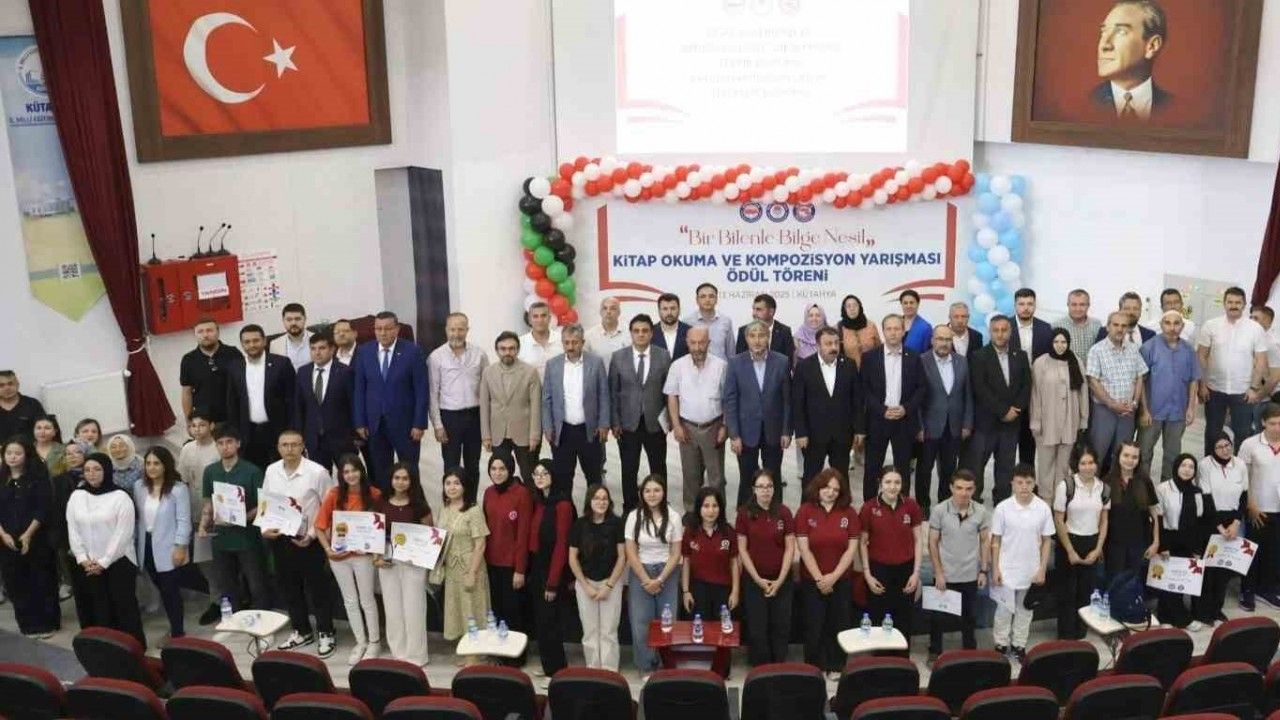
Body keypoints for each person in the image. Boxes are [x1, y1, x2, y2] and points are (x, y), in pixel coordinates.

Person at [264, 430, 339, 658]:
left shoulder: (317, 472)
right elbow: (266, 502)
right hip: (281, 539)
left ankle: (326, 631)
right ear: (278, 448)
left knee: (318, 589)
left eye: (294, 445)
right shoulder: (271, 470)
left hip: (310, 540)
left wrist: (314, 535)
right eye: (285, 445)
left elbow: (329, 507)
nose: (289, 449)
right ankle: (302, 630)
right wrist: (265, 528)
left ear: (303, 446)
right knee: (289, 587)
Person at [67, 452, 144, 646]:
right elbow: (73, 529)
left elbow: (123, 534)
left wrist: (104, 561)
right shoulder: (77, 496)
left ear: (107, 470)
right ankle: (98, 648)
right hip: (86, 564)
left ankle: (130, 648)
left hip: (118, 562)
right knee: (93, 606)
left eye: (97, 469)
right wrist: (82, 558)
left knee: (122, 607)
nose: (91, 474)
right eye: (87, 470)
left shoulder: (121, 497)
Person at [315, 454, 381, 664]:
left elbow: (381, 527)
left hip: (363, 557)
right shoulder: (334, 494)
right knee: (350, 601)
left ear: (362, 471)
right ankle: (360, 642)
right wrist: (328, 550)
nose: (351, 475)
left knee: (367, 599)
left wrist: (372, 549)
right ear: (341, 475)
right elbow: (319, 526)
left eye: (354, 470)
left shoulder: (374, 494)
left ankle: (374, 642)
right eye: (346, 472)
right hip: (339, 556)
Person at [353, 311, 429, 491]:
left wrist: (419, 423)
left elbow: (421, 390)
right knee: (381, 471)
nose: (383, 333)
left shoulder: (413, 351)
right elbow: (359, 389)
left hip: (406, 424)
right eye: (378, 329)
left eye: (387, 328)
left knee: (409, 470)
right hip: (375, 424)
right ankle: (386, 504)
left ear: (397, 329)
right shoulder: (364, 351)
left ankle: (413, 505)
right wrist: (360, 422)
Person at [795, 468, 859, 679]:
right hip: (812, 581)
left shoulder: (849, 513)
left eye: (835, 489)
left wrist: (833, 577)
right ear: (818, 487)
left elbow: (851, 549)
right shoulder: (805, 511)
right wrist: (820, 579)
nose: (830, 492)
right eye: (826, 487)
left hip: (841, 580)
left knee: (839, 623)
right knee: (814, 625)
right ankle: (815, 667)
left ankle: (837, 666)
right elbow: (804, 549)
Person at [198, 425, 269, 614]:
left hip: (247, 537)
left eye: (229, 442)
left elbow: (263, 504)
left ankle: (262, 620)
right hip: (221, 537)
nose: (225, 447)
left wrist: (242, 518)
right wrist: (204, 524)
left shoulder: (252, 471)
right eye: (220, 443)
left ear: (238, 444)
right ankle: (234, 618)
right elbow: (208, 502)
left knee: (256, 584)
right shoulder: (210, 471)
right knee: (226, 584)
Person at [989, 464, 1053, 662]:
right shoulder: (1002, 508)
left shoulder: (1043, 508)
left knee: (1025, 610)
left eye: (1028, 482)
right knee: (1003, 610)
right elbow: (996, 540)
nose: (1024, 486)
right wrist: (995, 569)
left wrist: (1042, 569)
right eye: (1020, 482)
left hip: (1031, 569)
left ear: (1034, 483)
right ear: (1012, 483)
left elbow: (1046, 541)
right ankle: (1001, 644)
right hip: (1006, 568)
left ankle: (1019, 645)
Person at [725, 320, 792, 504]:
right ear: (746, 339)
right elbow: (730, 401)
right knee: (747, 477)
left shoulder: (782, 361)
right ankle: (746, 516)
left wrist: (786, 431)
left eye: (761, 335)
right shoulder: (735, 363)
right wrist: (734, 434)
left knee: (773, 476)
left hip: (774, 430)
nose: (757, 340)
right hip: (745, 432)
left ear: (768, 337)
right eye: (752, 336)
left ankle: (776, 514)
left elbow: (787, 400)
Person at [609, 314, 670, 513]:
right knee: (629, 468)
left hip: (655, 423)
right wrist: (615, 422)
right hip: (628, 425)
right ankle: (630, 508)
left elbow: (669, 391)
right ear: (631, 333)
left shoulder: (663, 356)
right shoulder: (618, 357)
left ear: (651, 333)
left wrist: (669, 420)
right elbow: (613, 392)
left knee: (658, 467)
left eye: (645, 331)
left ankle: (660, 506)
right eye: (636, 331)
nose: (641, 334)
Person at [927, 470, 990, 661]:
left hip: (970, 574)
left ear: (974, 489)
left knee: (969, 617)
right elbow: (932, 543)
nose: (964, 493)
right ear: (951, 488)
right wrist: (938, 572)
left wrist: (983, 570)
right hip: (945, 574)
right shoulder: (939, 510)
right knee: (938, 617)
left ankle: (969, 652)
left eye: (968, 489)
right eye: (959, 488)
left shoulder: (981, 511)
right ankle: (935, 651)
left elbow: (985, 541)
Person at [1198, 287, 1269, 455]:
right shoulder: (1211, 326)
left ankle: (1238, 467)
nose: (1234, 305)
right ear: (1224, 303)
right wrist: (1202, 384)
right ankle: (1210, 466)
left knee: (1242, 434)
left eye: (1238, 302)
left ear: (1244, 305)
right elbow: (1201, 356)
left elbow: (1261, 360)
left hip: (1243, 392)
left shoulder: (1255, 329)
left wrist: (1254, 388)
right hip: (1214, 389)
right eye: (1230, 302)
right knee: (1212, 433)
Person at [860, 315, 925, 500]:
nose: (893, 333)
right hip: (877, 420)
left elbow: (921, 388)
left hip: (904, 421)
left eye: (897, 328)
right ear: (883, 331)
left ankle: (902, 507)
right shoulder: (870, 357)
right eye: (889, 329)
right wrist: (882, 410)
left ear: (903, 331)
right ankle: (869, 506)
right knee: (872, 468)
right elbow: (864, 389)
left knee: (903, 468)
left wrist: (906, 408)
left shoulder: (914, 357)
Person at [0, 437, 59, 638]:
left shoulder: (36, 478)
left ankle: (47, 624)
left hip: (36, 537)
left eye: (17, 453)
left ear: (26, 455)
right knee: (16, 582)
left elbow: (42, 508)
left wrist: (28, 534)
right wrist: (3, 534)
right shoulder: (2, 478)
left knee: (41, 580)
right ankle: (27, 625)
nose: (12, 457)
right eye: (9, 453)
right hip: (7, 539)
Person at [735, 468, 795, 666]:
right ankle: (760, 668)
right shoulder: (744, 514)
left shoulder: (784, 512)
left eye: (769, 486)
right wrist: (758, 580)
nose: (765, 490)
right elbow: (742, 550)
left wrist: (779, 581)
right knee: (757, 627)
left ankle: (778, 665)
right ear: (754, 489)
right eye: (760, 487)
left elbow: (790, 548)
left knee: (781, 625)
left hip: (781, 579)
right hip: (754, 580)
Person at [375, 462, 432, 666]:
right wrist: (376, 558)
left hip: (413, 562)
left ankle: (416, 656)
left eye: (405, 478)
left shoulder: (419, 505)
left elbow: (429, 534)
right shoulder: (381, 503)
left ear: (411, 481)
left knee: (414, 608)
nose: (400, 482)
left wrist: (423, 559)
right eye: (397, 478)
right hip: (388, 559)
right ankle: (398, 654)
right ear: (391, 480)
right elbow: (375, 534)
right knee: (392, 609)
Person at [665, 326, 729, 509]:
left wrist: (725, 426)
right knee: (691, 476)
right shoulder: (677, 366)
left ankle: (718, 515)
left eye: (702, 343)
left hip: (714, 427)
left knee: (716, 478)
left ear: (709, 343)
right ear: (687, 343)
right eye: (693, 343)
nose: (697, 347)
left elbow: (728, 399)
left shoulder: (721, 366)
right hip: (687, 428)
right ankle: (691, 514)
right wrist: (677, 425)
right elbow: (672, 396)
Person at [624, 474, 681, 678]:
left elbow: (676, 553)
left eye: (656, 490)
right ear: (642, 494)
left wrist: (660, 579)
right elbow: (630, 551)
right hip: (641, 570)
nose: (652, 494)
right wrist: (645, 579)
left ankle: (667, 665)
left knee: (667, 622)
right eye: (647, 491)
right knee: (641, 623)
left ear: (664, 492)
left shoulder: (674, 516)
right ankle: (646, 666)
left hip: (668, 572)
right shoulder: (634, 516)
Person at [860, 467, 924, 649]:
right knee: (878, 618)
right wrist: (867, 574)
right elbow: (862, 543)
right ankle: (880, 660)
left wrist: (916, 573)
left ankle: (902, 659)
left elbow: (918, 540)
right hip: (878, 569)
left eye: (897, 482)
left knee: (904, 619)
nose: (893, 487)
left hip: (906, 569)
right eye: (888, 482)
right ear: (880, 484)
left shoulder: (911, 506)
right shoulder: (869, 508)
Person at [969, 315, 1031, 504]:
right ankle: (974, 501)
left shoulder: (1020, 355)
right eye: (996, 330)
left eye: (1004, 330)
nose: (1000, 334)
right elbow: (980, 389)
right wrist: (1003, 411)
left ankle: (1002, 502)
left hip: (1012, 423)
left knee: (1006, 466)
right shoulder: (979, 356)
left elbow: (1026, 386)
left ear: (1010, 332)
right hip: (986, 423)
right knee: (977, 465)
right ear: (990, 332)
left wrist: (1016, 410)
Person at [542, 324, 610, 494]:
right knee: (563, 478)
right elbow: (546, 399)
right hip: (562, 431)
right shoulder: (552, 365)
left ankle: (595, 509)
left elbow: (603, 394)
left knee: (594, 475)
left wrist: (604, 423)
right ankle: (565, 509)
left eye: (575, 342)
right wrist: (548, 426)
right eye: (567, 342)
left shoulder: (596, 363)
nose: (570, 346)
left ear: (582, 342)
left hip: (590, 430)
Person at [1051, 445, 1109, 640]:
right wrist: (1070, 550)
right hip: (1069, 541)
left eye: (1091, 462)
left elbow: (1104, 520)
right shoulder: (1066, 486)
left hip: (1091, 542)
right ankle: (1066, 636)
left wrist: (1098, 548)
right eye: (1083, 463)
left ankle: (1080, 634)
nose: (1088, 467)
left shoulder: (1104, 488)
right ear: (1076, 464)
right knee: (1067, 592)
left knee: (1086, 593)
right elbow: (1059, 519)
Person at [793, 327, 861, 491]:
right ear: (818, 345)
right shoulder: (804, 367)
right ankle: (807, 507)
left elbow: (857, 400)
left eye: (836, 343)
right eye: (828, 343)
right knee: (811, 476)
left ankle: (843, 506)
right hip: (813, 435)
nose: (834, 347)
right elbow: (798, 403)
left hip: (842, 434)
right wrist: (800, 432)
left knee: (841, 476)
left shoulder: (849, 365)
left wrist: (859, 429)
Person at [429, 313, 488, 498]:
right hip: (449, 418)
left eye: (461, 329)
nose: (456, 333)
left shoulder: (480, 354)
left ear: (467, 330)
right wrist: (438, 425)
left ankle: (470, 504)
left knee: (473, 465)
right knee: (451, 466)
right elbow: (432, 393)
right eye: (452, 329)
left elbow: (487, 389)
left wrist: (487, 423)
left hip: (475, 416)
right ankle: (451, 505)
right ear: (446, 330)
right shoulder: (436, 357)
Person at [434, 468, 489, 666]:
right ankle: (467, 651)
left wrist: (472, 572)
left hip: (470, 566)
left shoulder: (473, 510)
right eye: (448, 483)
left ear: (465, 486)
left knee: (472, 610)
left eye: (456, 483)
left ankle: (475, 656)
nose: (452, 487)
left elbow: (480, 544)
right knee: (458, 609)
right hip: (452, 569)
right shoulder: (444, 508)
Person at [134, 446, 190, 641]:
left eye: (156, 463)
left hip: (169, 545)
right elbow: (139, 519)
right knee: (160, 586)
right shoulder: (139, 487)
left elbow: (183, 521)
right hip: (146, 545)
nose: (151, 467)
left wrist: (180, 546)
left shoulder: (178, 489)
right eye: (148, 463)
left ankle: (177, 632)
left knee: (170, 591)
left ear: (166, 465)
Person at [1153, 453, 1215, 630]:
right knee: (1166, 581)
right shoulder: (1163, 488)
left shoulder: (1197, 492)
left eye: (1191, 467)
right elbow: (1158, 518)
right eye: (1183, 465)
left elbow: (1200, 521)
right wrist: (1162, 545)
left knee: (1181, 581)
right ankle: (1171, 618)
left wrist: (1196, 548)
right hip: (1168, 538)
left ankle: (1175, 617)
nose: (1187, 470)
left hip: (1188, 540)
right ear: (1176, 467)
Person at [568, 483, 626, 671]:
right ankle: (593, 669)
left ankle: (610, 671)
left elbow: (622, 557)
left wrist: (609, 586)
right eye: (597, 498)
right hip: (585, 583)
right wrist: (586, 586)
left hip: (611, 583)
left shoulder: (616, 523)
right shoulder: (580, 524)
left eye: (604, 499)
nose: (601, 502)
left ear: (609, 502)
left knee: (609, 631)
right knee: (590, 631)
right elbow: (572, 558)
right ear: (589, 501)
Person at [1138, 311, 1201, 481]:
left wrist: (1191, 408)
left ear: (1182, 326)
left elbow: (1193, 380)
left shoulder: (1189, 350)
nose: (1172, 328)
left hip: (1178, 412)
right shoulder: (1149, 348)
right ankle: (1142, 490)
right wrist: (1144, 410)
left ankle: (1168, 489)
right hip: (1152, 412)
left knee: (1172, 455)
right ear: (1161, 325)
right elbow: (1140, 381)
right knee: (1144, 453)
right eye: (1167, 323)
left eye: (1176, 323)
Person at [527, 459, 575, 678]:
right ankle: (548, 666)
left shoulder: (562, 505)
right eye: (536, 474)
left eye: (544, 473)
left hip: (552, 569)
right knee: (541, 621)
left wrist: (553, 582)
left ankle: (557, 670)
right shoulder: (539, 501)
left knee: (551, 621)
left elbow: (561, 544)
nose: (539, 477)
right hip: (537, 566)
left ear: (553, 476)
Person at [227, 324, 296, 470]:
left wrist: (292, 430)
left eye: (256, 340)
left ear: (264, 341)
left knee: (282, 472)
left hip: (277, 430)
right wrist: (235, 434)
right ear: (242, 344)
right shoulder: (235, 367)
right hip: (248, 433)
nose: (252, 345)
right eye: (247, 342)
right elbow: (232, 403)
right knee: (254, 474)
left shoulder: (281, 363)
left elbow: (292, 399)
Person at [1030, 329, 1090, 499]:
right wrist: (1035, 421)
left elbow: (1083, 392)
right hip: (1046, 421)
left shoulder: (1075, 361)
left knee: (1064, 465)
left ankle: (1060, 499)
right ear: (1051, 342)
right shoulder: (1041, 363)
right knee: (1046, 464)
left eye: (1064, 342)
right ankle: (1046, 499)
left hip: (1070, 420)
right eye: (1056, 342)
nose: (1060, 346)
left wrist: (1083, 419)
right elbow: (1035, 394)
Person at [482, 454, 532, 655]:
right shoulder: (488, 493)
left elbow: (523, 534)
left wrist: (520, 569)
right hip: (491, 564)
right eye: (493, 469)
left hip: (512, 566)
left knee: (514, 613)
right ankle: (499, 654)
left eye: (502, 469)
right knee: (496, 612)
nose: (497, 473)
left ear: (510, 469)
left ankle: (516, 657)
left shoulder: (522, 494)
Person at [176, 411, 223, 625]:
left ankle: (236, 596)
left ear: (211, 426)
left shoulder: (219, 446)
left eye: (202, 425)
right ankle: (216, 601)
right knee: (206, 562)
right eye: (193, 425)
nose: (197, 429)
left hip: (221, 511)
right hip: (196, 511)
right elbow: (184, 481)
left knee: (225, 561)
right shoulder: (187, 449)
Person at [1088, 312, 1149, 476]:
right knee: (1098, 453)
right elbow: (1093, 381)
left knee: (1123, 455)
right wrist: (1111, 404)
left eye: (1124, 326)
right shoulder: (1097, 350)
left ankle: (1118, 489)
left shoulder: (1133, 349)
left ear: (1128, 329)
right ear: (1108, 327)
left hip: (1128, 412)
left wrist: (1135, 403)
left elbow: (1139, 376)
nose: (1120, 329)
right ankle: (1094, 488)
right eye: (1115, 325)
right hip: (1104, 411)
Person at [918, 325, 972, 508]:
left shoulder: (961, 361)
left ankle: (944, 506)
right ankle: (923, 507)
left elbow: (967, 395)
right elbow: (916, 398)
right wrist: (919, 426)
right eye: (940, 339)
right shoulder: (921, 361)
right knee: (924, 469)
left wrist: (967, 423)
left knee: (949, 470)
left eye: (948, 339)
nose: (944, 343)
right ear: (932, 340)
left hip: (954, 426)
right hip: (928, 427)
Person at [1092, 0, 1170, 122]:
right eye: (1104, 32)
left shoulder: (1180, 110)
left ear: (1152, 46)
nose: (1104, 45)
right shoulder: (1080, 107)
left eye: (1121, 32)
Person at [480, 332, 542, 481]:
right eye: (503, 349)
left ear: (517, 350)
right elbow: (484, 405)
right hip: (498, 433)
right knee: (500, 476)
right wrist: (486, 435)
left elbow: (536, 406)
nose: (507, 352)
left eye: (511, 348)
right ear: (497, 351)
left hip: (524, 433)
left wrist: (535, 435)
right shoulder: (488, 372)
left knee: (529, 476)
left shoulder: (530, 372)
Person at [293, 332, 357, 472]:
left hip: (342, 438)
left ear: (332, 349)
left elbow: (353, 405)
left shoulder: (345, 372)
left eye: (322, 348)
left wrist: (355, 434)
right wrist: (299, 435)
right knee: (319, 478)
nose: (317, 352)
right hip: (314, 439)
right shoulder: (303, 372)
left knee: (348, 477)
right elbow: (299, 407)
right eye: (313, 348)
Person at [1200, 433, 1249, 614]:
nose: (1225, 450)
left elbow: (1244, 495)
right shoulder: (1205, 465)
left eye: (1227, 445)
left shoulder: (1240, 464)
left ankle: (1217, 608)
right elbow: (1206, 498)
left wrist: (1236, 523)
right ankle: (1203, 610)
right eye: (1220, 447)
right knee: (1209, 568)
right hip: (1212, 520)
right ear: (1213, 449)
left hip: (1233, 521)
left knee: (1224, 568)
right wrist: (1219, 527)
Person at [1240, 405, 1280, 609]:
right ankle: (1247, 590)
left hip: (1278, 508)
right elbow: (1242, 477)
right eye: (1273, 423)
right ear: (1263, 422)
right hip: (1258, 507)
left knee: (1274, 552)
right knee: (1252, 552)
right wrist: (1250, 504)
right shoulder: (1250, 444)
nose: (1277, 428)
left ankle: (1267, 589)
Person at [680, 486, 739, 623]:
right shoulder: (690, 531)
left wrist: (735, 592)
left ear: (720, 508)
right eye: (706, 506)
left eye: (715, 506)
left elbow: (734, 563)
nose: (711, 511)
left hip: (723, 590)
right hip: (698, 589)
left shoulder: (728, 531)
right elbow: (686, 562)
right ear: (699, 508)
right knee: (700, 630)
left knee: (723, 630)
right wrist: (686, 591)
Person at [1102, 441, 1160, 578]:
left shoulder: (1145, 481)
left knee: (1134, 584)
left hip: (1139, 545)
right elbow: (1102, 518)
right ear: (1118, 456)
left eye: (1134, 457)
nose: (1130, 460)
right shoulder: (1106, 482)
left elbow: (1154, 513)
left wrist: (1156, 542)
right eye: (1126, 455)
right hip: (1113, 546)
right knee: (1114, 583)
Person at [179, 317, 243, 423]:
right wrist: (188, 421)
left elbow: (244, 384)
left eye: (209, 330)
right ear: (195, 335)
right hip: (204, 419)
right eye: (200, 331)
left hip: (233, 416)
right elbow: (186, 392)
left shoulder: (233, 353)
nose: (205, 335)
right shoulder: (188, 359)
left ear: (218, 332)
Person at [52, 440, 89, 602]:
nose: (73, 456)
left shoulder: (93, 474)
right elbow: (57, 511)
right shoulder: (58, 480)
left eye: (77, 452)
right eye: (68, 453)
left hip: (95, 531)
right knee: (79, 578)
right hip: (70, 533)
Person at [735, 293, 796, 360]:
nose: (754, 314)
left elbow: (788, 361)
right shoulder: (743, 331)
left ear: (771, 312)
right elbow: (739, 360)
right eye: (753, 309)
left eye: (758, 309)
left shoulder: (784, 331)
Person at [1054, 289, 1103, 371]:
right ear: (1068, 305)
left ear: (1088, 305)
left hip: (1091, 374)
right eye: (1074, 304)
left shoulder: (1097, 325)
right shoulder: (1056, 326)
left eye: (1082, 304)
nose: (1078, 309)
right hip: (1067, 375)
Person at [685, 283, 735, 359]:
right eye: (703, 296)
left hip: (722, 366)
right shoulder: (687, 322)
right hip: (695, 366)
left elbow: (731, 353)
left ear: (716, 299)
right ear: (697, 300)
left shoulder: (726, 321)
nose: (707, 300)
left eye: (711, 296)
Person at [518, 301, 564, 380]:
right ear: (529, 320)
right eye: (535, 316)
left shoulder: (562, 340)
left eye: (543, 316)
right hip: (531, 388)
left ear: (549, 318)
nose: (540, 320)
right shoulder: (520, 343)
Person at [584, 297, 629, 372]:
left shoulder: (629, 333)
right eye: (605, 308)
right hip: (598, 378)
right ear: (600, 312)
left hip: (623, 378)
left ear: (619, 312)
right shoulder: (589, 335)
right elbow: (585, 364)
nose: (608, 312)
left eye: (613, 308)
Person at [0, 371, 45, 443]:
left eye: (10, 384)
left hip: (29, 448)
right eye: (1, 385)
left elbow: (44, 431)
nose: (7, 388)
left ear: (17, 385)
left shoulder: (32, 404)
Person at [838, 294, 881, 367]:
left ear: (860, 307)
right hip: (849, 371)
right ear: (844, 309)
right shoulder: (838, 328)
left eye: (855, 305)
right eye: (848, 306)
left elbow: (879, 349)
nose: (852, 309)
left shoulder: (871, 325)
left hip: (871, 369)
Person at [269, 303, 314, 370]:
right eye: (289, 320)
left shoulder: (318, 339)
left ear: (305, 319)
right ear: (283, 321)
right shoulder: (275, 345)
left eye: (297, 319)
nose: (293, 323)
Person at [652, 292, 691, 361]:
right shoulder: (650, 332)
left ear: (679, 310)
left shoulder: (690, 331)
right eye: (665, 309)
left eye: (673, 308)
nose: (669, 313)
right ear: (659, 311)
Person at [899, 290, 933, 355]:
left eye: (911, 303)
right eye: (905, 303)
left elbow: (928, 353)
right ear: (901, 305)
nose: (908, 306)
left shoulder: (925, 328)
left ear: (917, 304)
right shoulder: (895, 324)